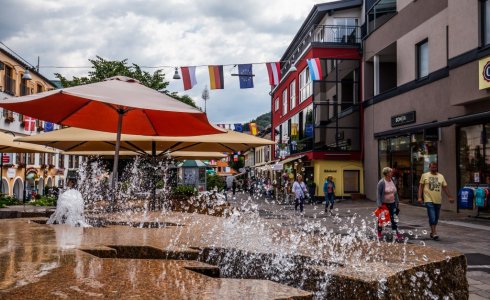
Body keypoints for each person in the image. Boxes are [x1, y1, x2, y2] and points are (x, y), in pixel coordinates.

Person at [417, 162, 454, 240]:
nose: (434, 169)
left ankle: (432, 231)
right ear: (429, 167)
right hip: (428, 199)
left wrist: (450, 197)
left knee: (436, 218)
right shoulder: (424, 175)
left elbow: (445, 187)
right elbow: (421, 187)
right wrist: (419, 197)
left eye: (435, 167)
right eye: (432, 167)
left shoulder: (441, 176)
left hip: (438, 200)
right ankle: (434, 233)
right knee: (432, 216)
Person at [376, 167, 402, 241]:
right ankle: (379, 233)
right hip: (384, 204)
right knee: (381, 219)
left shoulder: (393, 180)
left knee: (394, 219)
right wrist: (379, 204)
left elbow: (395, 192)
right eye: (390, 172)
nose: (392, 173)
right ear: (387, 173)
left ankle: (395, 233)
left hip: (392, 203)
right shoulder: (381, 182)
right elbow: (378, 194)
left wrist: (397, 201)